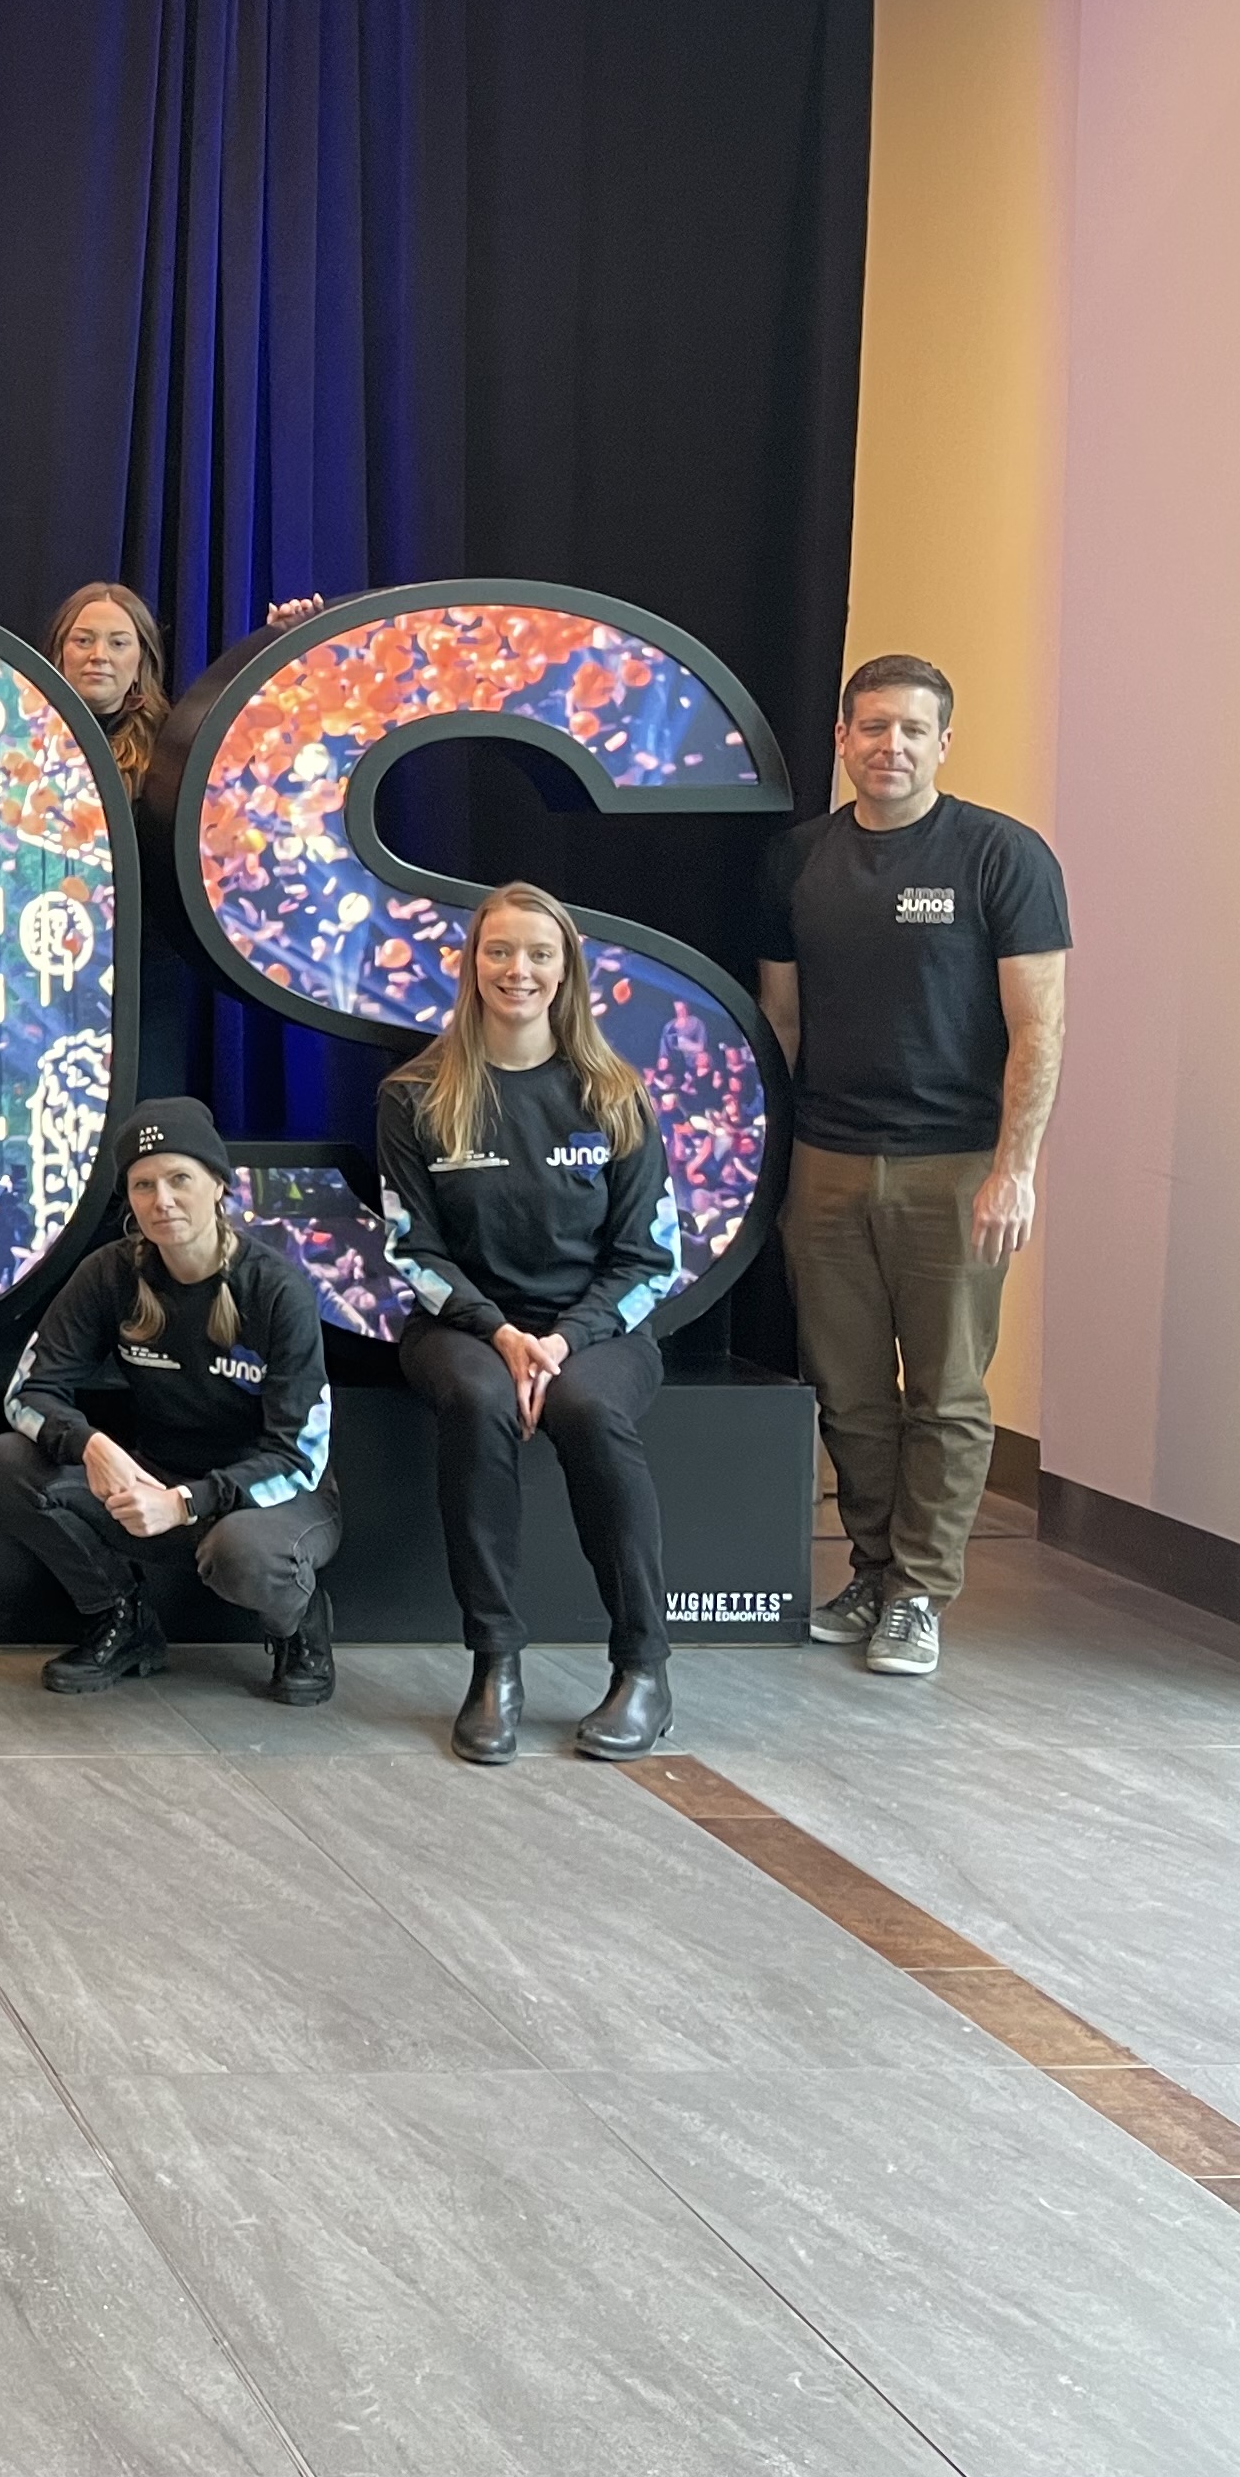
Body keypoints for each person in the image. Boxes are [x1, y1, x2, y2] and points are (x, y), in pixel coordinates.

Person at [756, 653, 1070, 1682]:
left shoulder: (1002, 857)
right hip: (829, 1164)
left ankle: (923, 1594)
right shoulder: (797, 862)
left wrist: (1014, 1171)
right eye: (873, 728)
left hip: (958, 1168)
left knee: (944, 1391)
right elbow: (780, 1026)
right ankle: (873, 1572)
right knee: (848, 1392)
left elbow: (1040, 1027)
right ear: (842, 741)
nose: (891, 746)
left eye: (912, 731)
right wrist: (775, 1167)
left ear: (944, 744)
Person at [375, 881, 681, 1765]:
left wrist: (563, 1341)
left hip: (593, 1331)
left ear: (566, 969)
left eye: (539, 954)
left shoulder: (615, 1093)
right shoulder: (416, 1096)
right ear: (471, 965)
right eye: (500, 951)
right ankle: (495, 1663)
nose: (519, 970)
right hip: (464, 1329)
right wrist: (499, 1332)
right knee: (478, 1403)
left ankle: (643, 1671)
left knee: (587, 1409)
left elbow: (645, 1261)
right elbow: (411, 1251)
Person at [0, 1096, 339, 1704]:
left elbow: (299, 1454)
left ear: (218, 1185)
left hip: (272, 1498)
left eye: (179, 1179)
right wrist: (89, 1445)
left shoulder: (275, 1288)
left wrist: (190, 1501)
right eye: (143, 1185)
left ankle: (298, 1628)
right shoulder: (111, 1274)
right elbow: (29, 1392)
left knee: (242, 1553)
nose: (161, 1200)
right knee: (7, 1465)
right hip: (156, 1481)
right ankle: (124, 1620)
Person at [49, 581, 203, 1100]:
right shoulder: (18, 738)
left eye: (118, 642)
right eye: (83, 640)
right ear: (59, 652)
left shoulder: (175, 746)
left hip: (145, 979)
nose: (99, 656)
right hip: (44, 973)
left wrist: (285, 636)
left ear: (142, 659)